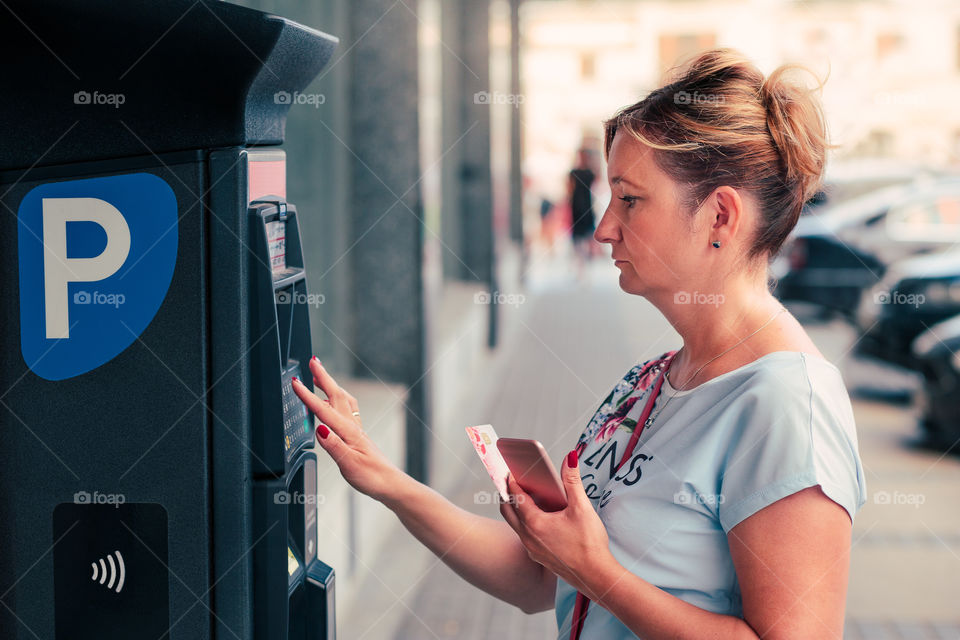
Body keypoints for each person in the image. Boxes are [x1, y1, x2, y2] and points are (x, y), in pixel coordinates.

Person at [291, 48, 867, 640]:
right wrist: (384, 478)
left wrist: (597, 572)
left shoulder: (789, 405)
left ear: (720, 216)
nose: (603, 227)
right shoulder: (653, 381)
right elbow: (539, 579)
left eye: (631, 200)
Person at [568, 148, 597, 281]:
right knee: (578, 239)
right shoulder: (573, 172)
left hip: (587, 207)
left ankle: (584, 266)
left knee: (587, 237)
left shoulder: (590, 173)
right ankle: (579, 267)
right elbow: (569, 189)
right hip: (576, 207)